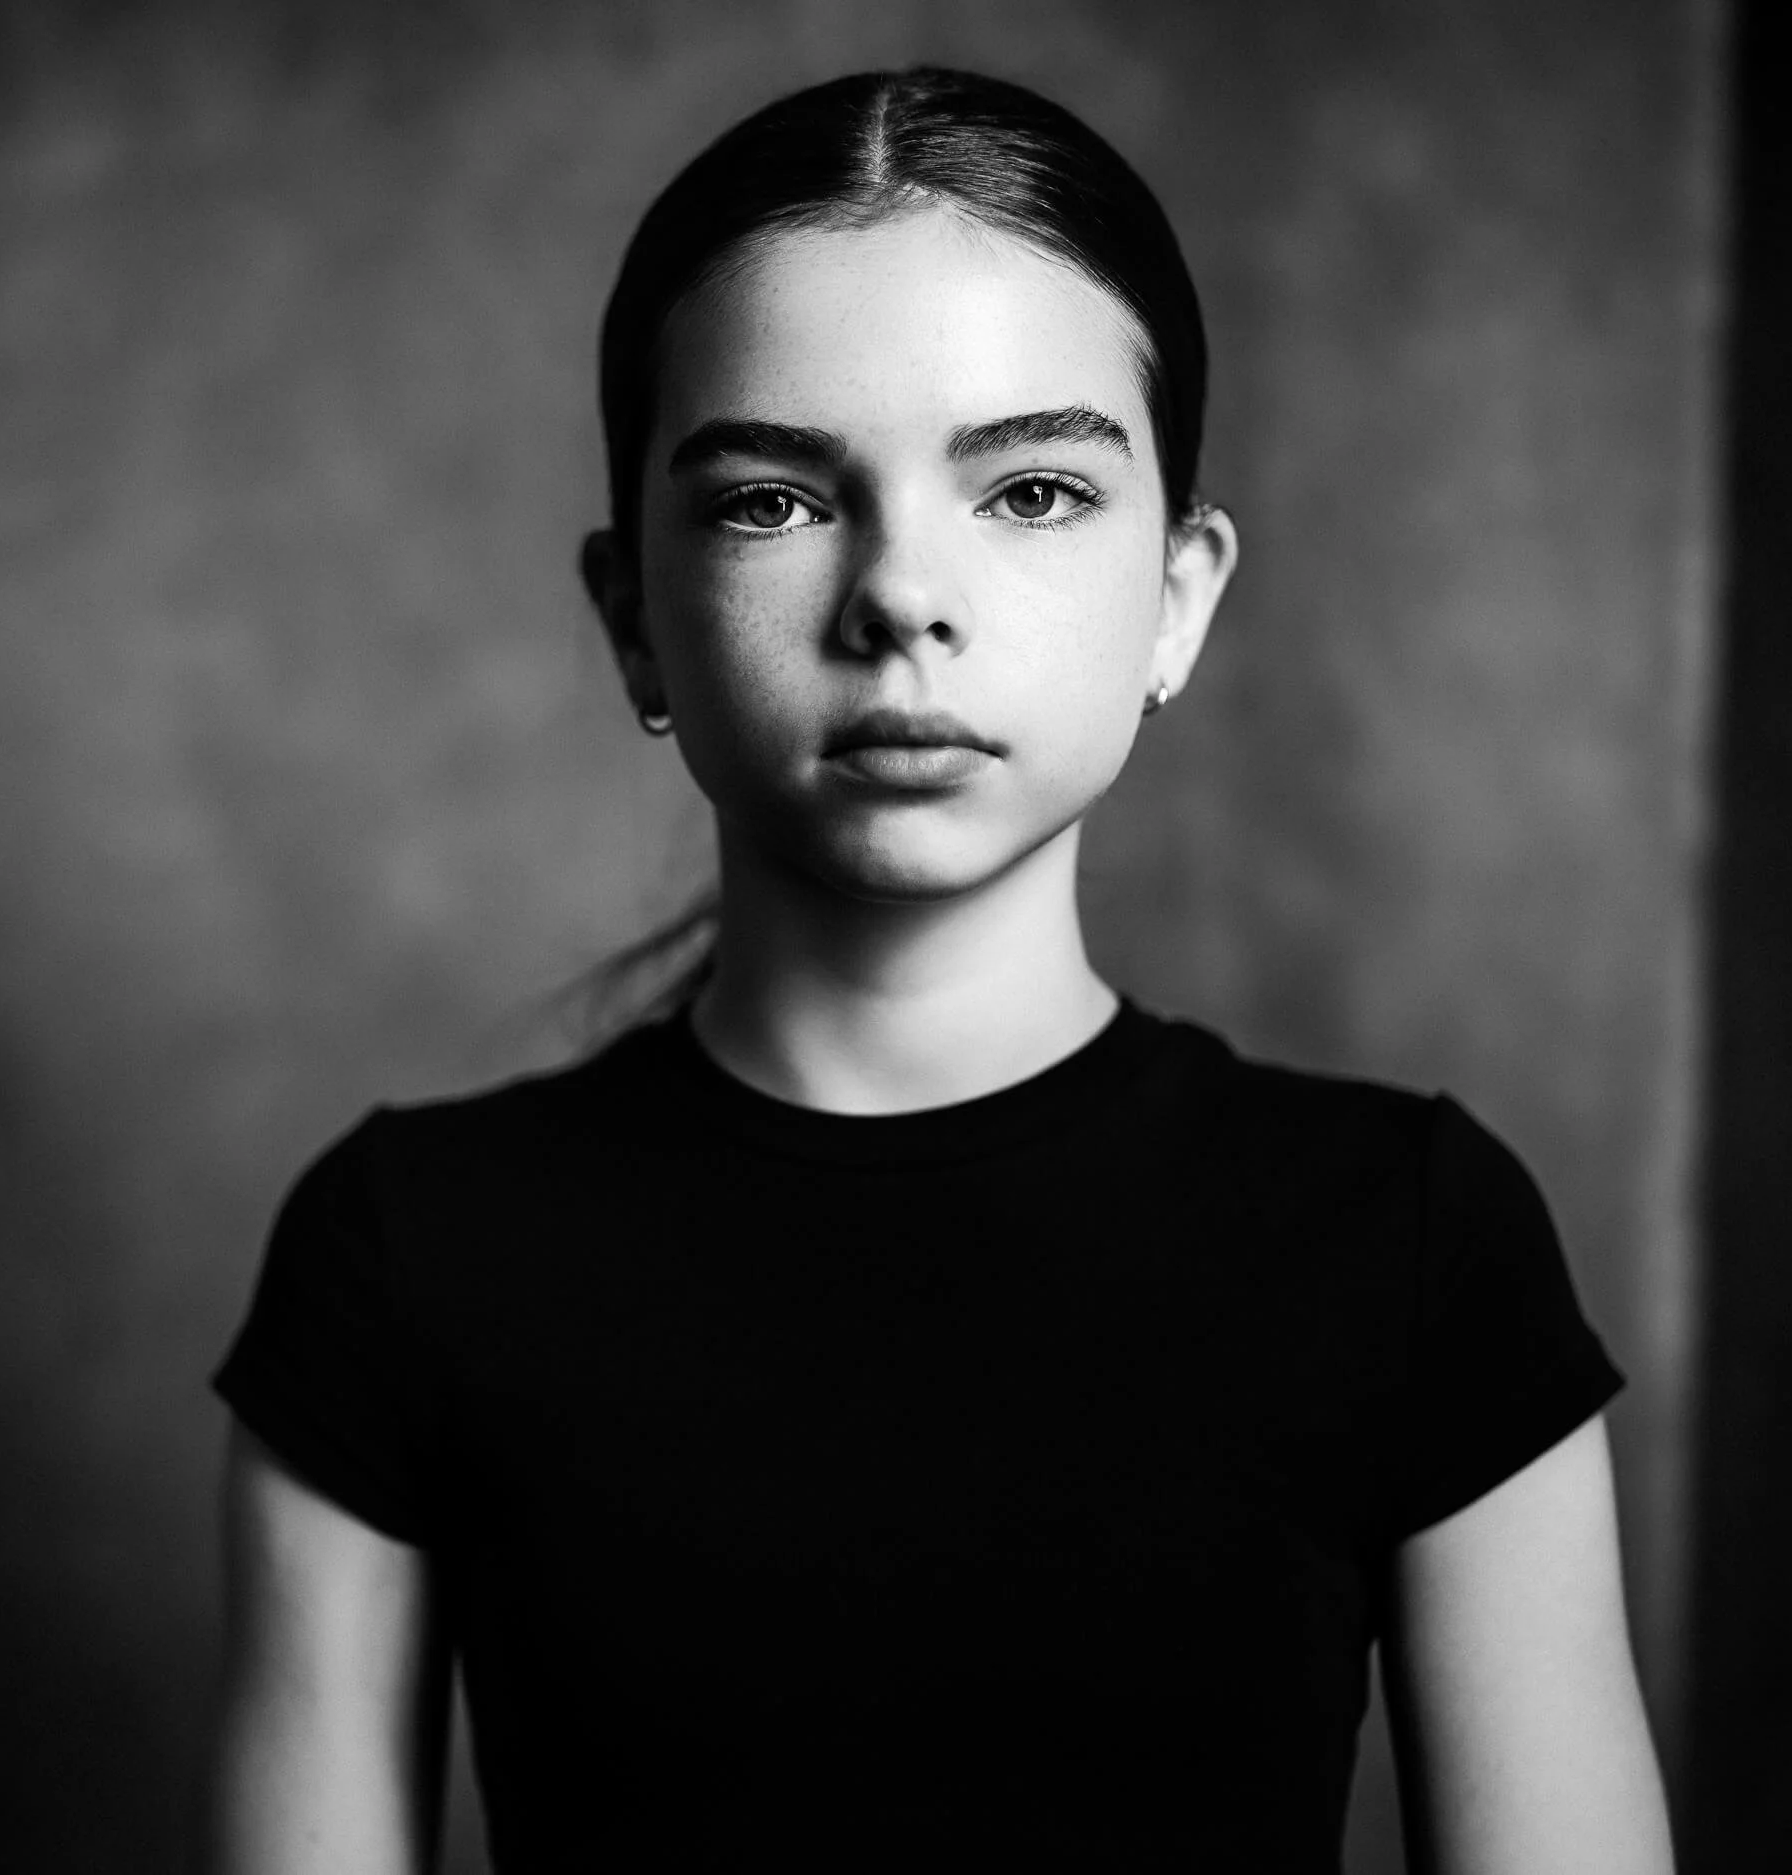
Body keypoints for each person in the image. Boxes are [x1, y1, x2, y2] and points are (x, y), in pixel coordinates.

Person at [202, 66, 1675, 1875]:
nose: (904, 590)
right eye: (768, 501)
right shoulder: (402, 1257)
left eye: (1035, 489)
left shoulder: (1416, 1241)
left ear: (1178, 598)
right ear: (630, 618)